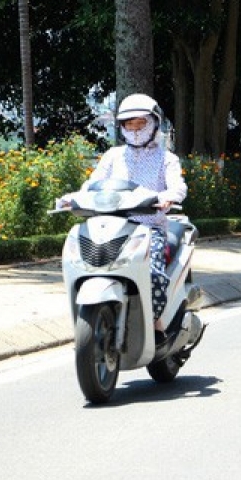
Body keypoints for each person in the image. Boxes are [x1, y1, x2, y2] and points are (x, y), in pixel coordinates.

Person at [80, 93, 187, 333]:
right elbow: (93, 183)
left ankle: (153, 325)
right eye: (129, 124)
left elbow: (177, 186)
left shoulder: (166, 158)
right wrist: (74, 198)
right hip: (111, 227)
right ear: (122, 127)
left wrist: (169, 197)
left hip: (150, 229)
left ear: (154, 123)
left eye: (141, 123)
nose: (135, 129)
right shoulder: (113, 156)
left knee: (153, 273)